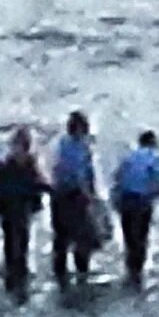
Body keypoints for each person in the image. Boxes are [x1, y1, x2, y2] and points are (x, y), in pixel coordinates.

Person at [0, 126, 44, 297]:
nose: (19, 149)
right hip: (9, 207)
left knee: (22, 240)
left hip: (23, 206)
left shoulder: (29, 163)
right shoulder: (6, 164)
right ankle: (12, 274)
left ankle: (20, 273)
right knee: (11, 241)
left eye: (22, 145)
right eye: (16, 145)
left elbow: (37, 182)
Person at [111, 131, 159, 287]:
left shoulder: (129, 157)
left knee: (128, 235)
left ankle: (130, 268)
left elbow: (117, 177)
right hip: (142, 200)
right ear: (153, 142)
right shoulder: (156, 157)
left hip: (125, 199)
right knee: (141, 235)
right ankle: (137, 271)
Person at [47, 112, 101, 288]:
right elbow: (81, 174)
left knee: (60, 236)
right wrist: (90, 197)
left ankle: (60, 273)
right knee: (82, 236)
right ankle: (81, 273)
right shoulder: (78, 147)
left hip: (57, 195)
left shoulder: (58, 144)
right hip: (74, 196)